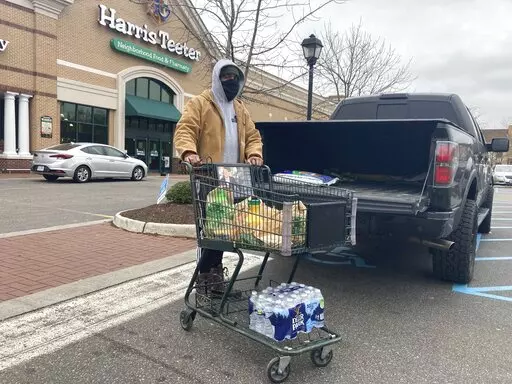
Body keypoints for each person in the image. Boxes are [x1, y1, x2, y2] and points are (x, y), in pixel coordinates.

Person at [174, 58, 264, 295]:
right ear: (216, 78)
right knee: (213, 230)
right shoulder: (201, 104)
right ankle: (206, 278)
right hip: (208, 176)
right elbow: (185, 129)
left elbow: (253, 136)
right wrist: (189, 152)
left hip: (235, 177)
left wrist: (254, 154)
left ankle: (212, 278)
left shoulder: (240, 109)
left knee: (227, 230)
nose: (231, 81)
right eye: (226, 77)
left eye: (235, 77)